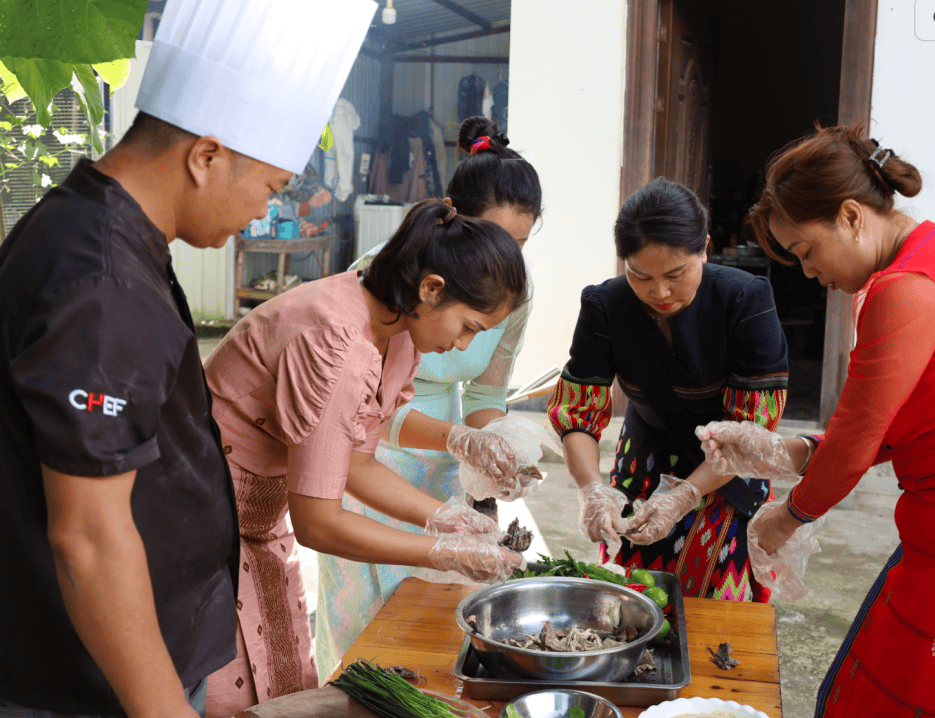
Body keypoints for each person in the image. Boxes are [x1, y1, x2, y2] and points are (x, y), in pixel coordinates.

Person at [0, 1, 374, 716]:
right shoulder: (103, 284)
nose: (265, 214)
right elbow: (88, 535)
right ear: (207, 155)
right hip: (87, 683)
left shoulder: (104, 230)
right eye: (268, 187)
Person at [708, 122, 935, 716]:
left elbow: (858, 438)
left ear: (852, 217)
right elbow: (897, 420)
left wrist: (790, 515)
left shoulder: (905, 289)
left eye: (806, 251)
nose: (809, 273)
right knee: (873, 684)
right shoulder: (927, 251)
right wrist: (782, 450)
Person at [202, 199, 530, 715]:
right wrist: (438, 551)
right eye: (468, 326)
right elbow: (318, 523)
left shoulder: (397, 336)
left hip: (257, 523)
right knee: (221, 694)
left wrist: (445, 517)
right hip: (201, 526)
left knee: (282, 689)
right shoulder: (335, 340)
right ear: (432, 289)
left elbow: (354, 463)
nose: (464, 344)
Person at [315, 116, 542, 678]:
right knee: (364, 631)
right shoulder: (381, 276)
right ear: (451, 219)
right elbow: (366, 413)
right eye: (491, 239)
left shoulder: (513, 291)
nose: (503, 261)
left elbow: (486, 394)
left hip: (444, 467)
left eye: (517, 245)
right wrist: (462, 438)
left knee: (432, 625)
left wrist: (496, 446)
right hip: (370, 456)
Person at [547, 178, 789, 601]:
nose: (659, 293)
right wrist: (591, 489)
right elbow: (578, 413)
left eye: (676, 274)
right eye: (640, 276)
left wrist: (685, 496)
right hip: (644, 456)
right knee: (627, 595)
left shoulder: (746, 300)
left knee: (715, 599)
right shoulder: (605, 306)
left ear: (705, 249)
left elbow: (750, 430)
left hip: (727, 470)